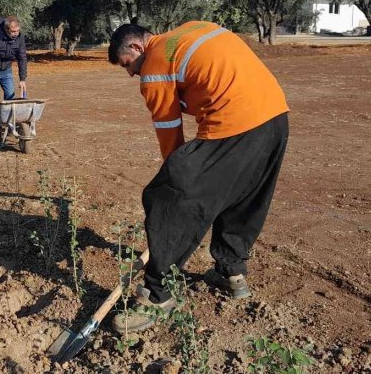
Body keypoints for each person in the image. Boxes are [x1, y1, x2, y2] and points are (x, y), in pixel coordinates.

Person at [107, 21, 289, 333]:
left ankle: (158, 295)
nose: (131, 73)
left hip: (235, 124)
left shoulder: (154, 64)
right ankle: (230, 271)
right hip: (275, 119)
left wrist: (178, 181)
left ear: (137, 48)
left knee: (167, 196)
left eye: (128, 65)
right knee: (242, 195)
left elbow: (170, 136)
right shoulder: (193, 28)